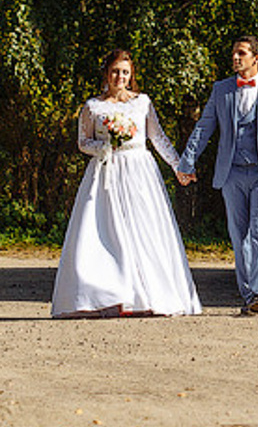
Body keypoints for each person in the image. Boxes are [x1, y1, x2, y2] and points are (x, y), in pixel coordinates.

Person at [50, 49, 202, 318]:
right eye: (115, 72)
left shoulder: (142, 102)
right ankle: (111, 295)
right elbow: (83, 142)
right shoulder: (93, 106)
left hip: (139, 171)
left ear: (131, 75)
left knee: (144, 230)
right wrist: (104, 146)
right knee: (106, 231)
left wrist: (178, 166)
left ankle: (147, 296)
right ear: (106, 74)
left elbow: (157, 138)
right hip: (106, 171)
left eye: (125, 72)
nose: (120, 77)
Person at [176, 35, 258, 315]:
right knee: (239, 235)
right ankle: (248, 294)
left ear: (256, 58)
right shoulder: (222, 90)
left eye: (242, 53)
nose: (236, 58)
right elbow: (204, 127)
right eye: (234, 53)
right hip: (231, 173)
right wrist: (186, 162)